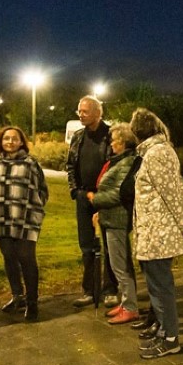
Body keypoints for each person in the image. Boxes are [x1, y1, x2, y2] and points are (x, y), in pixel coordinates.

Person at [130, 108, 183, 359]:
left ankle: (171, 339)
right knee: (156, 287)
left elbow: (173, 192)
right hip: (153, 232)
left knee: (161, 287)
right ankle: (164, 330)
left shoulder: (157, 154)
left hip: (159, 233)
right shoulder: (155, 152)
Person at [0, 126, 48, 319]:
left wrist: (34, 207)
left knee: (27, 258)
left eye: (14, 139)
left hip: (26, 220)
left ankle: (32, 302)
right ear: (1, 141)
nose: (10, 142)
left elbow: (42, 189)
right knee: (9, 257)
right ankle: (17, 295)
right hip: (2, 218)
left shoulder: (30, 163)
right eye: (6, 138)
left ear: (22, 142)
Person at [67, 96, 117, 309]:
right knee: (86, 246)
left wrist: (105, 194)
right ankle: (89, 290)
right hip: (83, 198)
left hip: (105, 199)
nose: (81, 114)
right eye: (79, 110)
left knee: (109, 245)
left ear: (98, 112)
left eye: (85, 111)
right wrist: (75, 191)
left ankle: (111, 290)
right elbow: (70, 165)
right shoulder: (78, 136)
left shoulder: (112, 136)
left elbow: (117, 167)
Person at [90, 122, 141, 325]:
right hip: (110, 217)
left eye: (115, 140)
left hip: (118, 219)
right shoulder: (118, 161)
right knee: (118, 261)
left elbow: (119, 193)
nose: (111, 143)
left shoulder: (126, 162)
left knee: (120, 264)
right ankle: (127, 302)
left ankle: (130, 307)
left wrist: (95, 198)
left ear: (124, 142)